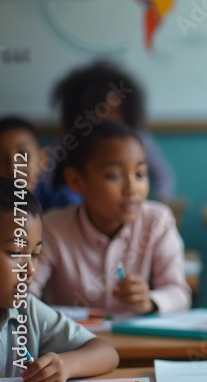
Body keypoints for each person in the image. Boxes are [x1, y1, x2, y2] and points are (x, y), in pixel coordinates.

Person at [29, 121, 191, 315]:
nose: (131, 189)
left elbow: (179, 292)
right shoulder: (52, 228)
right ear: (76, 181)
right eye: (114, 175)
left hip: (139, 341)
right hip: (73, 342)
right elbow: (25, 294)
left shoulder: (157, 221)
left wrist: (150, 301)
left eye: (140, 174)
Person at [0, 178, 118, 381]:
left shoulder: (26, 310)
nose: (30, 269)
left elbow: (107, 352)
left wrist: (66, 365)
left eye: (35, 254)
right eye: (16, 252)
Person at [43, 60, 175, 209]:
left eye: (117, 110)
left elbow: (163, 175)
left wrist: (160, 200)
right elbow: (46, 181)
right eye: (103, 110)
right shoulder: (68, 139)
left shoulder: (137, 138)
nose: (111, 117)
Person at [0, 117, 51, 204]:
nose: (13, 167)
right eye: (0, 159)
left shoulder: (63, 204)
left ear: (44, 159)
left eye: (22, 155)